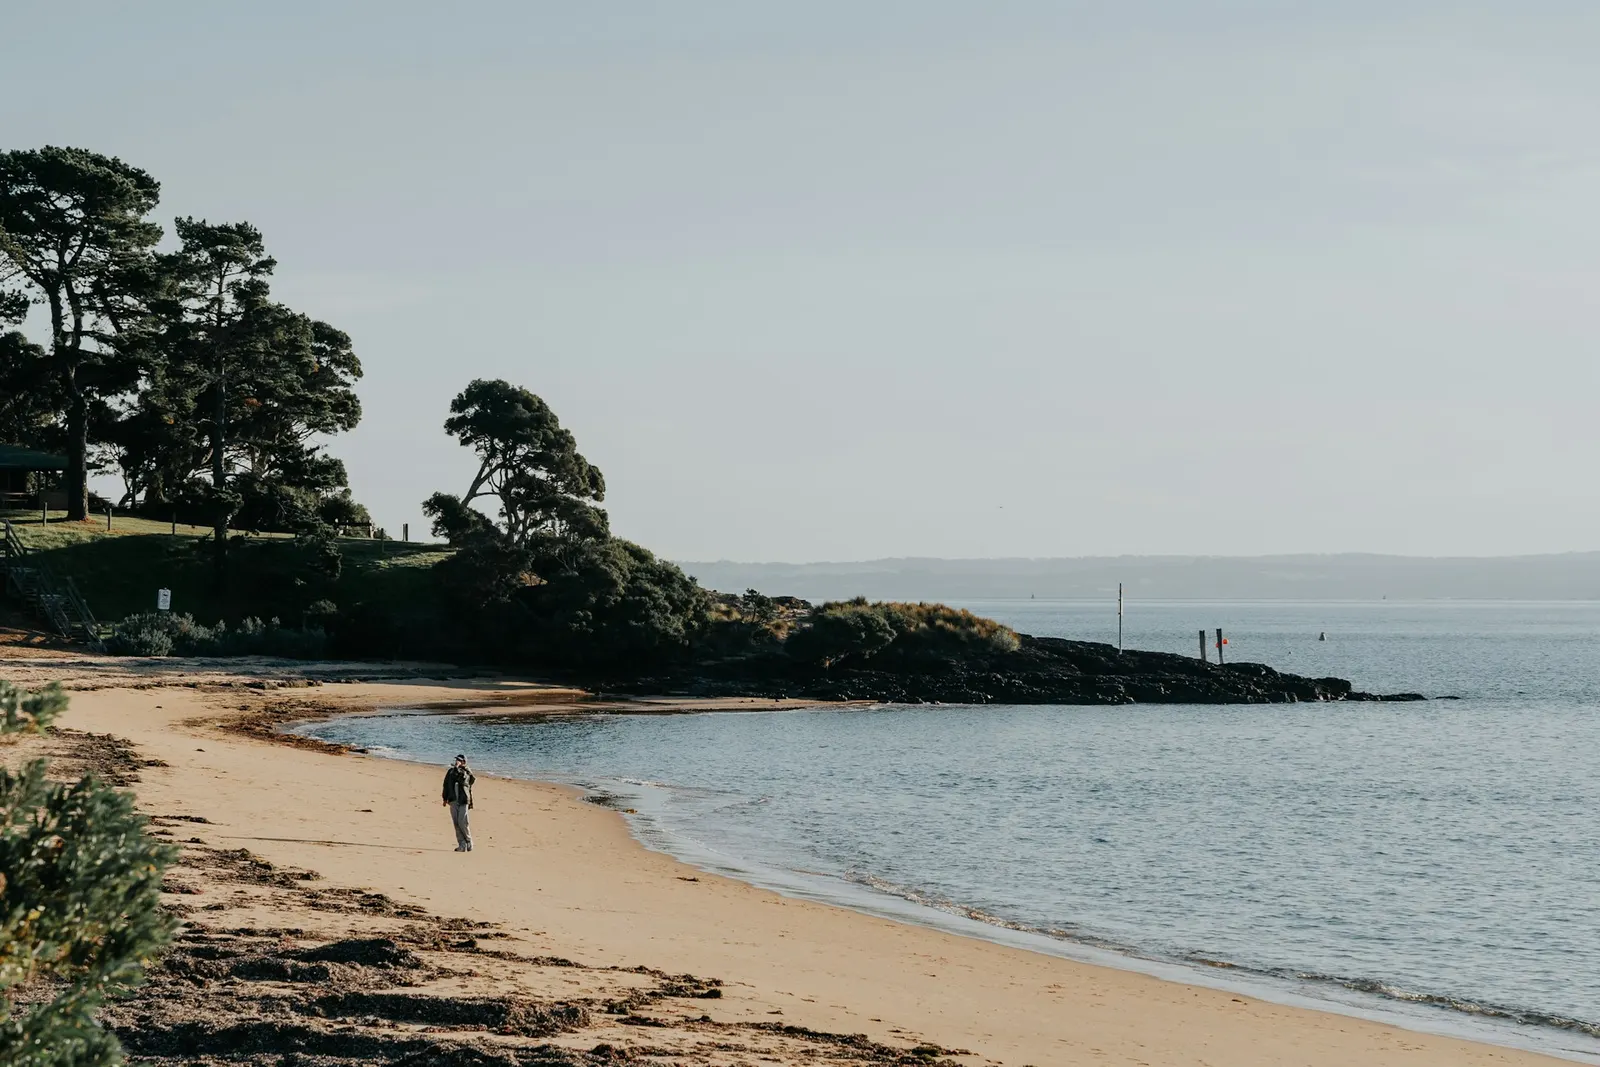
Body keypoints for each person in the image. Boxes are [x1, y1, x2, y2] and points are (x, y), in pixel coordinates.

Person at [441, 754, 475, 852]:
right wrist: (444, 798)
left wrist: (457, 768)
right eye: (456, 760)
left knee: (463, 822)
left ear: (464, 762)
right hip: (453, 800)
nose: (457, 762)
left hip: (464, 800)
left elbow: (463, 779)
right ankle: (461, 844)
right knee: (456, 823)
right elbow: (446, 784)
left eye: (459, 760)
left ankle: (469, 841)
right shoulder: (450, 772)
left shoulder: (467, 772)